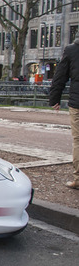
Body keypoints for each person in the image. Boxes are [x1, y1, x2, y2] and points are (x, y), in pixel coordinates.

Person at [49, 35, 79, 189]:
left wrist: (54, 98)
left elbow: (60, 76)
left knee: (78, 140)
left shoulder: (72, 50)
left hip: (77, 102)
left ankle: (78, 179)